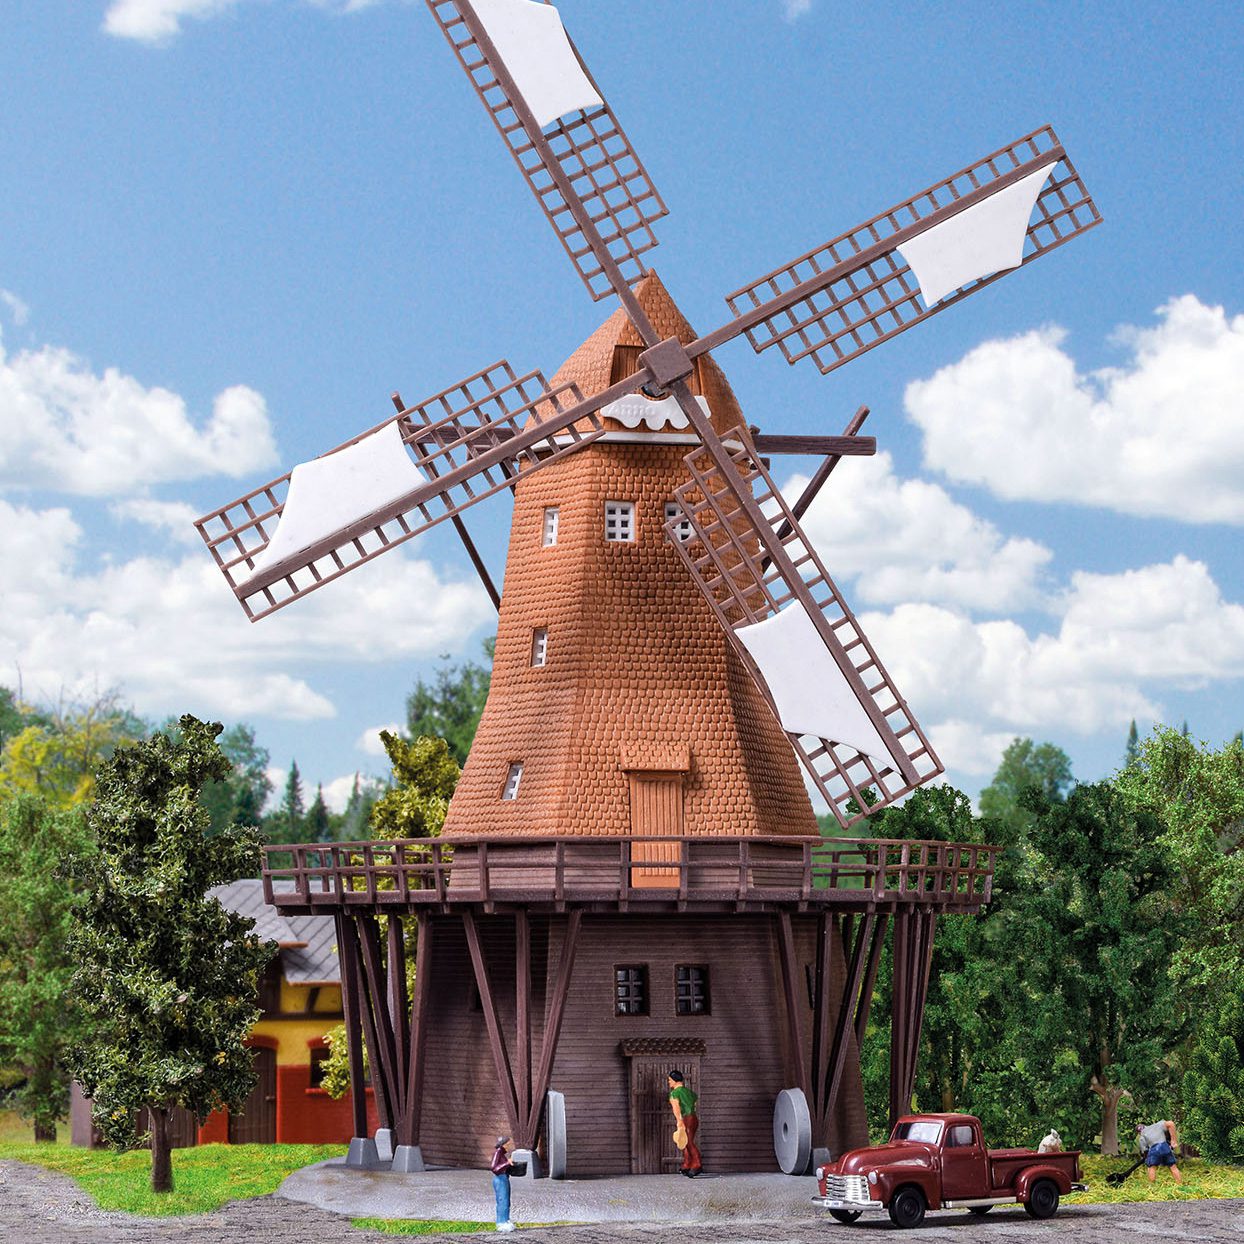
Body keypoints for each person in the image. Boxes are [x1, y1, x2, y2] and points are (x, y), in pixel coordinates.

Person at [667, 1070, 701, 1177]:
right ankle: (687, 1164)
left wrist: (679, 1121)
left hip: (685, 1118)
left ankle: (697, 1164)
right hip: (693, 1117)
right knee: (686, 1142)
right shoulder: (690, 1092)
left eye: (670, 1080)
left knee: (688, 1142)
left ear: (675, 1080)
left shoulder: (675, 1093)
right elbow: (694, 1104)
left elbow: (676, 1109)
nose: (669, 1082)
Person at [1136, 1119, 1183, 1186]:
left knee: (1152, 1167)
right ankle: (1180, 1184)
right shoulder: (1157, 1125)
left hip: (1154, 1149)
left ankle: (1151, 1186)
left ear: (1139, 1132)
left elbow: (1144, 1150)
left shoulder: (1142, 1136)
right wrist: (1173, 1140)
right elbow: (1170, 1123)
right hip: (1165, 1147)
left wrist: (1146, 1157)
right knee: (1173, 1166)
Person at [491, 1136, 516, 1231]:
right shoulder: (498, 1153)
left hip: (504, 1178)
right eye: (508, 1143)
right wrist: (507, 1163)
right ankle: (501, 1222)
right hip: (500, 1179)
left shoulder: (502, 1154)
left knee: (506, 1201)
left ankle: (505, 1220)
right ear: (504, 1144)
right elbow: (494, 1168)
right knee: (502, 1201)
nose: (509, 1145)